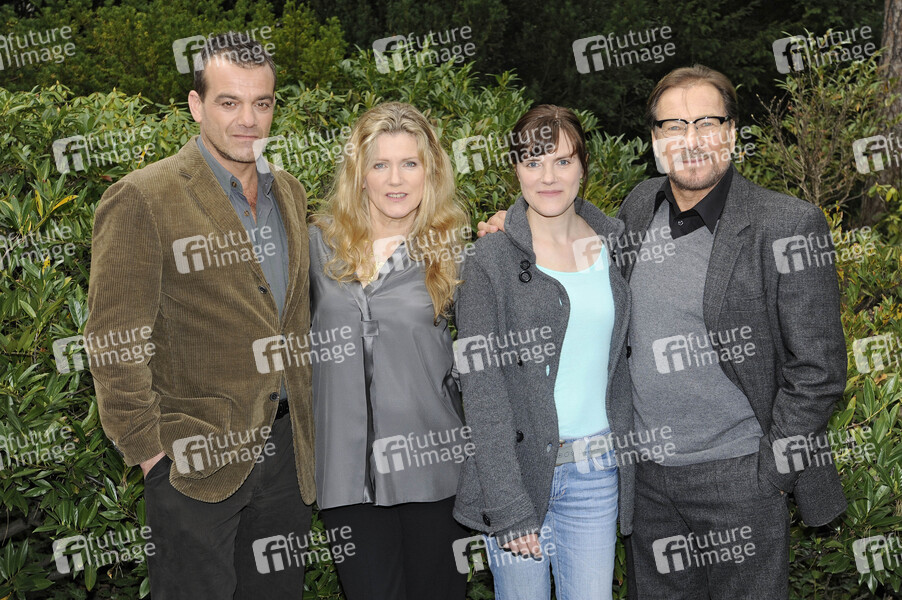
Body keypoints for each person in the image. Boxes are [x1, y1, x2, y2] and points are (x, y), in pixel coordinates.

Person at [477, 65, 847, 599]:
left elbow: (819, 370)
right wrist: (509, 228)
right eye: (673, 126)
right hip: (645, 481)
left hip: (741, 477)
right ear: (654, 139)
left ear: (732, 132)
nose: (690, 140)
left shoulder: (787, 225)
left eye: (707, 123)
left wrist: (770, 472)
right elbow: (562, 223)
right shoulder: (638, 207)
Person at [85, 33, 315, 598]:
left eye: (261, 103)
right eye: (228, 102)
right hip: (192, 463)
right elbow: (114, 340)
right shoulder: (142, 197)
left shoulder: (290, 193)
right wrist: (151, 454)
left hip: (287, 459)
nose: (248, 120)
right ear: (196, 105)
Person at [453, 105, 632, 600]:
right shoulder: (487, 260)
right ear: (516, 169)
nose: (548, 177)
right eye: (533, 162)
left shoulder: (616, 245)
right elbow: (483, 394)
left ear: (583, 167)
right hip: (516, 475)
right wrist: (508, 507)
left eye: (562, 161)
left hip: (596, 473)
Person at [308, 101, 470, 600]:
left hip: (435, 473)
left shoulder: (456, 253)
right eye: (380, 164)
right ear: (360, 174)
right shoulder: (316, 246)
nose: (395, 180)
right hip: (344, 476)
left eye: (409, 164)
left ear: (430, 172)